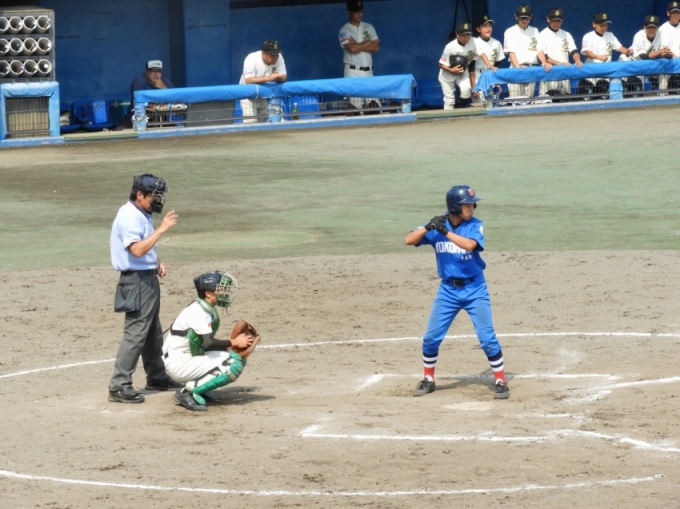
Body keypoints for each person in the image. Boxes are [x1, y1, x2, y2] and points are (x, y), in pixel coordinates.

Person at [405, 185, 509, 400]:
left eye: (472, 204)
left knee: (487, 338)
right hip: (448, 291)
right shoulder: (438, 226)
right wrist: (428, 227)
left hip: (475, 289)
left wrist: (444, 232)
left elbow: (470, 245)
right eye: (467, 205)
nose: (472, 208)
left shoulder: (474, 225)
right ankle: (428, 379)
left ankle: (500, 380)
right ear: (454, 207)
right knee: (431, 338)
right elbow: (409, 240)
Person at [108, 174, 182, 403]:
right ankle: (119, 385)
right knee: (136, 333)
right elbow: (136, 250)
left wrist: (155, 260)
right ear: (140, 195)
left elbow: (144, 247)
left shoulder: (141, 213)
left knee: (152, 332)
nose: (158, 201)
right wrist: (162, 230)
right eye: (154, 196)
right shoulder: (130, 216)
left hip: (146, 279)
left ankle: (156, 376)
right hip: (136, 281)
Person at [163, 272, 258, 412]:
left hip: (185, 357)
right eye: (221, 290)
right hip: (179, 363)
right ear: (208, 293)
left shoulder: (204, 308)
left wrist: (227, 348)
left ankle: (201, 388)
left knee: (236, 357)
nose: (224, 293)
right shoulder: (199, 312)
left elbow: (203, 344)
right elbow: (208, 343)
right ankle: (186, 392)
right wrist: (234, 342)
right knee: (233, 363)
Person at [339, 0, 381, 112]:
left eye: (361, 11)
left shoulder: (369, 27)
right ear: (349, 13)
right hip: (353, 72)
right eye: (356, 11)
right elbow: (352, 49)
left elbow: (376, 47)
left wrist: (358, 44)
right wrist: (368, 42)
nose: (360, 14)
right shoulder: (344, 30)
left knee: (374, 107)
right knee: (355, 109)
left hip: (369, 72)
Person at [438, 22, 488, 109]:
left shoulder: (473, 42)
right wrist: (452, 70)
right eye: (462, 35)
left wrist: (474, 86)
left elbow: (472, 65)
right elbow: (441, 64)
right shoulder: (450, 46)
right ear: (457, 34)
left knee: (466, 89)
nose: (465, 37)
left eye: (468, 34)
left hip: (462, 72)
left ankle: (461, 112)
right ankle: (448, 117)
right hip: (447, 74)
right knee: (449, 100)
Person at [580, 12, 632, 96]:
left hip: (606, 75)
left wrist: (627, 51)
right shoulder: (588, 36)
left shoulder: (610, 35)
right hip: (591, 75)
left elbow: (620, 48)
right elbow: (587, 52)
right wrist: (598, 57)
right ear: (594, 24)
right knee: (590, 97)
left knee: (605, 96)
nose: (604, 27)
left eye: (606, 25)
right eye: (601, 25)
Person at [114, 60, 174, 130]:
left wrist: (163, 87)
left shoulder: (164, 81)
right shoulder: (139, 82)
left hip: (160, 119)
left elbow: (175, 97)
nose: (156, 74)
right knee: (119, 130)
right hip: (137, 118)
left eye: (158, 71)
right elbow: (140, 101)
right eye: (153, 71)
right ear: (146, 72)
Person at [537, 7, 583, 97]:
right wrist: (559, 63)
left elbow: (574, 51)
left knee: (565, 100)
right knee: (547, 101)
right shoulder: (543, 34)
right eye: (554, 20)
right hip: (549, 72)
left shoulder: (566, 34)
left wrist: (578, 60)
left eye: (558, 21)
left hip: (564, 73)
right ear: (548, 19)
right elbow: (544, 57)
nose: (556, 23)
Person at [239, 40, 288, 123]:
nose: (276, 57)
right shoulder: (252, 58)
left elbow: (284, 76)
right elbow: (249, 80)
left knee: (264, 123)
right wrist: (269, 78)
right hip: (248, 96)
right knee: (251, 123)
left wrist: (277, 77)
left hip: (264, 95)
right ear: (264, 53)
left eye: (277, 54)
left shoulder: (279, 58)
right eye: (272, 55)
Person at [503, 4, 541, 99]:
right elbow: (510, 52)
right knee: (516, 101)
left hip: (531, 69)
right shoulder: (510, 31)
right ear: (516, 17)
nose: (524, 20)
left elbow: (539, 50)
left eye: (526, 18)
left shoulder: (535, 31)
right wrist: (518, 67)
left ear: (531, 16)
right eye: (521, 18)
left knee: (529, 101)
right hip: (516, 69)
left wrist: (543, 62)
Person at [627, 15, 670, 91]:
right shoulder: (639, 35)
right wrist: (660, 52)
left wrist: (666, 53)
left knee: (663, 75)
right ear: (644, 27)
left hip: (648, 65)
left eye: (654, 27)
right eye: (649, 27)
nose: (651, 30)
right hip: (633, 63)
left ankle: (663, 95)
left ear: (658, 27)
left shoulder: (662, 34)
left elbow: (664, 52)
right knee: (634, 88)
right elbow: (643, 56)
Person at [471, 14, 505, 107]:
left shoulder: (496, 43)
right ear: (478, 29)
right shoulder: (474, 42)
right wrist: (473, 85)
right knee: (478, 106)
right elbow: (471, 65)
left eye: (489, 26)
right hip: (478, 76)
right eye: (484, 26)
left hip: (491, 76)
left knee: (491, 106)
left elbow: (497, 63)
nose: (488, 28)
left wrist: (498, 82)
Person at [658, 2, 680, 90]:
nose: (675, 16)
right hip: (667, 65)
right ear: (668, 13)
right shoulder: (662, 29)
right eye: (673, 13)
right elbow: (664, 50)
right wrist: (678, 60)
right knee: (663, 92)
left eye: (677, 13)